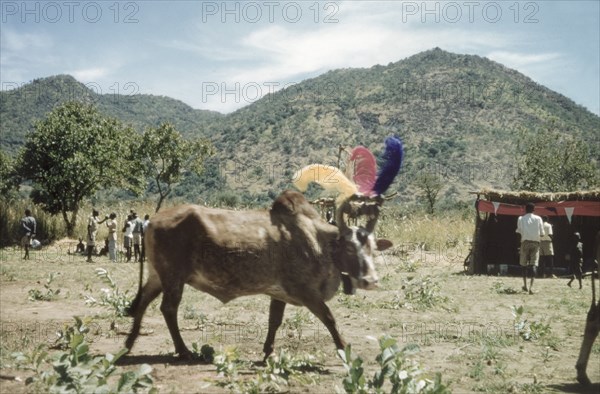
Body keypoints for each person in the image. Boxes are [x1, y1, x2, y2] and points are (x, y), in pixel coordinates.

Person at [516, 202, 544, 294]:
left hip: (525, 242)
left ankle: (525, 285)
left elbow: (519, 231)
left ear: (525, 209)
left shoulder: (521, 218)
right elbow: (542, 234)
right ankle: (531, 287)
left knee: (523, 265)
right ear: (534, 209)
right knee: (534, 264)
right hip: (535, 243)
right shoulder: (539, 218)